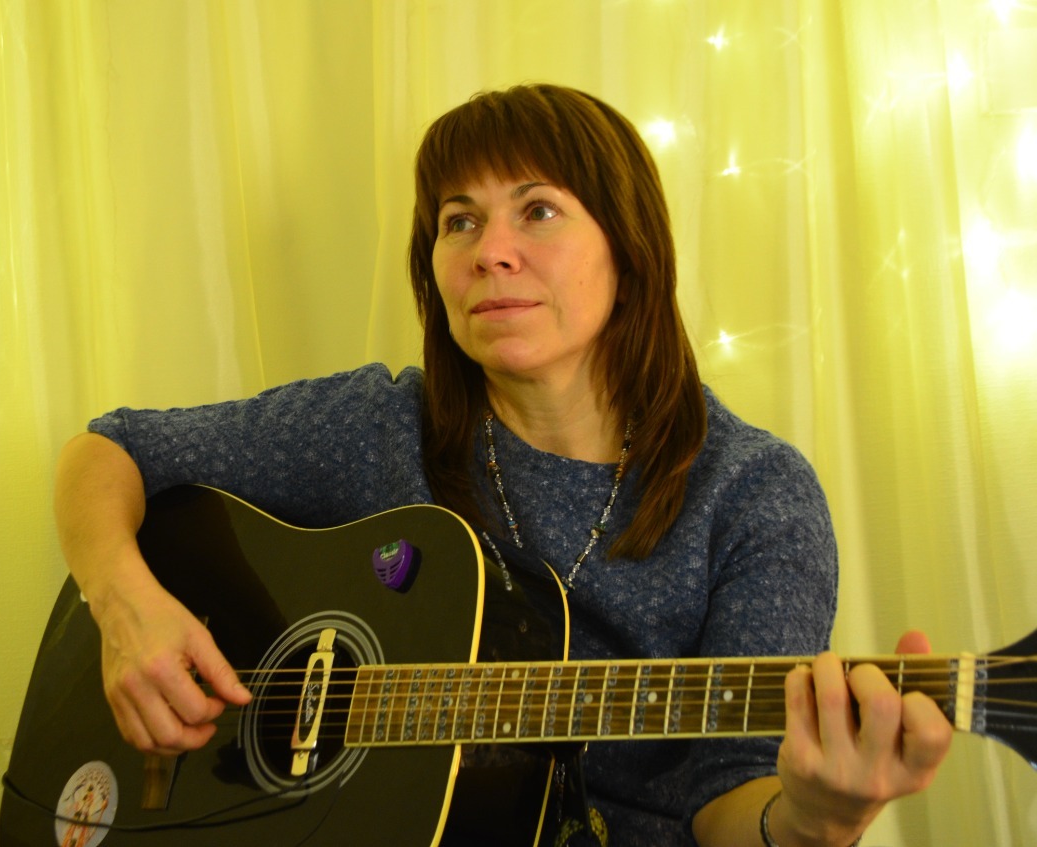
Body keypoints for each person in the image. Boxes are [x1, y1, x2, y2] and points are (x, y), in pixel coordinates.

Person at [53, 84, 952, 846]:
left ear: (629, 248)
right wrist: (127, 609)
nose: (490, 251)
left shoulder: (755, 495)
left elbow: (733, 807)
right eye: (460, 221)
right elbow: (110, 448)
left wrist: (816, 817)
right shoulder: (377, 425)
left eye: (538, 210)